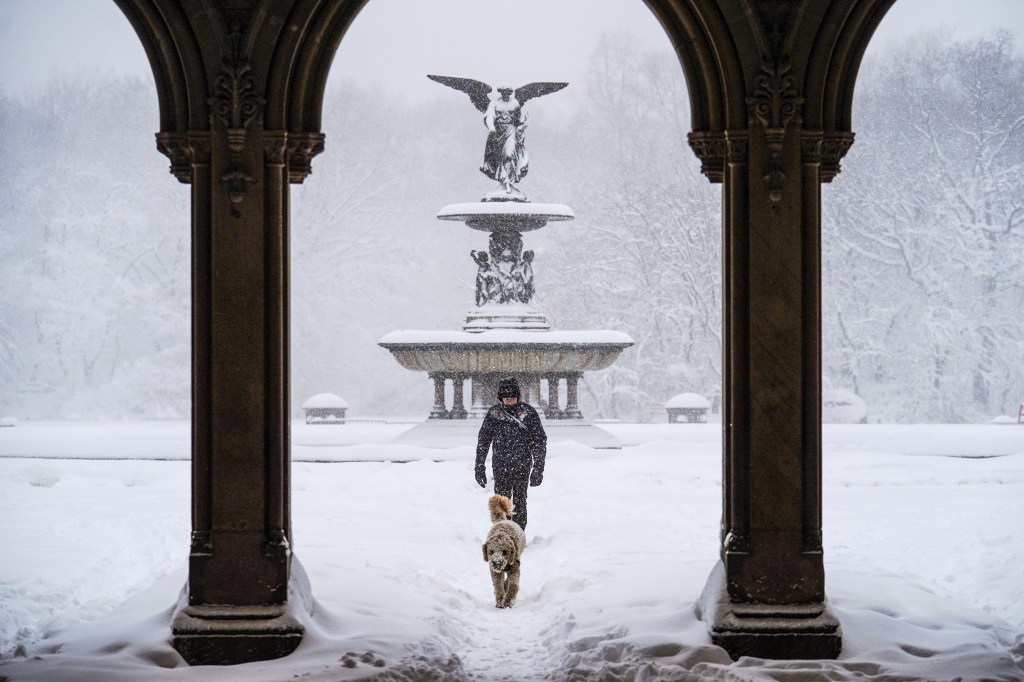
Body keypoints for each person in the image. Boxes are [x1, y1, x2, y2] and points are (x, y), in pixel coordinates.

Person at [475, 377, 547, 530]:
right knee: (501, 501)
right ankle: (502, 531)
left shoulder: (528, 413)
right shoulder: (494, 414)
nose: (510, 402)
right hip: (501, 466)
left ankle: (518, 533)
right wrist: (479, 466)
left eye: (513, 398)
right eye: (506, 399)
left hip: (522, 465)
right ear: (501, 398)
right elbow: (483, 440)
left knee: (520, 501)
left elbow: (539, 441)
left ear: (518, 397)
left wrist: (538, 468)